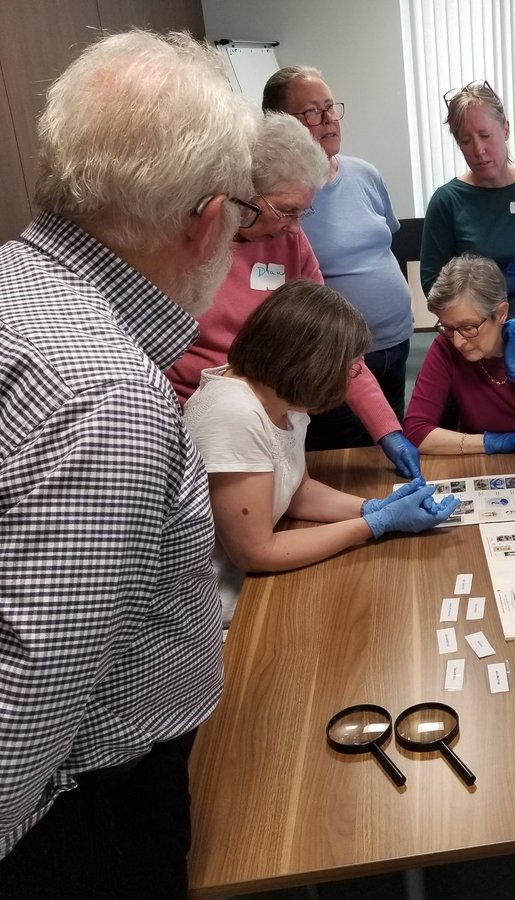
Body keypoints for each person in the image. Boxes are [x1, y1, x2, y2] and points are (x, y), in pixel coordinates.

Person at [0, 30, 256, 897]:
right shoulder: (109, 399)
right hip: (81, 823)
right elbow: (16, 733)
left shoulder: (16, 285)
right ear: (208, 219)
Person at [184, 280, 459, 625]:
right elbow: (255, 552)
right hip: (226, 612)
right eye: (350, 368)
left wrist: (371, 507)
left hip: (261, 583)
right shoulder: (233, 412)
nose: (354, 378)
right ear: (307, 365)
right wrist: (375, 524)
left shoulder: (280, 395)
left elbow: (298, 490)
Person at [167, 112, 422, 480]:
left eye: (303, 212)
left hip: (276, 417)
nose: (295, 227)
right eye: (286, 211)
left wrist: (388, 429)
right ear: (242, 191)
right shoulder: (184, 243)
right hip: (203, 426)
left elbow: (331, 340)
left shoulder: (289, 240)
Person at [262, 66, 415, 451]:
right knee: (342, 459)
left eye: (330, 108)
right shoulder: (277, 205)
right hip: (330, 361)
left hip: (395, 342)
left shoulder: (364, 174)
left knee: (385, 447)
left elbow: (384, 247)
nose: (329, 120)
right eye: (312, 112)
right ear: (280, 124)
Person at [421, 80, 515, 319]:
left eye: (485, 135)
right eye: (466, 141)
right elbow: (432, 285)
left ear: (506, 129)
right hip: (480, 338)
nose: (479, 150)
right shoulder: (447, 201)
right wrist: (496, 288)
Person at [404, 255, 515, 456]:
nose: (457, 341)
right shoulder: (445, 346)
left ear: (501, 313)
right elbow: (415, 432)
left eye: (468, 327)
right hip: (478, 460)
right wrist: (493, 442)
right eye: (448, 327)